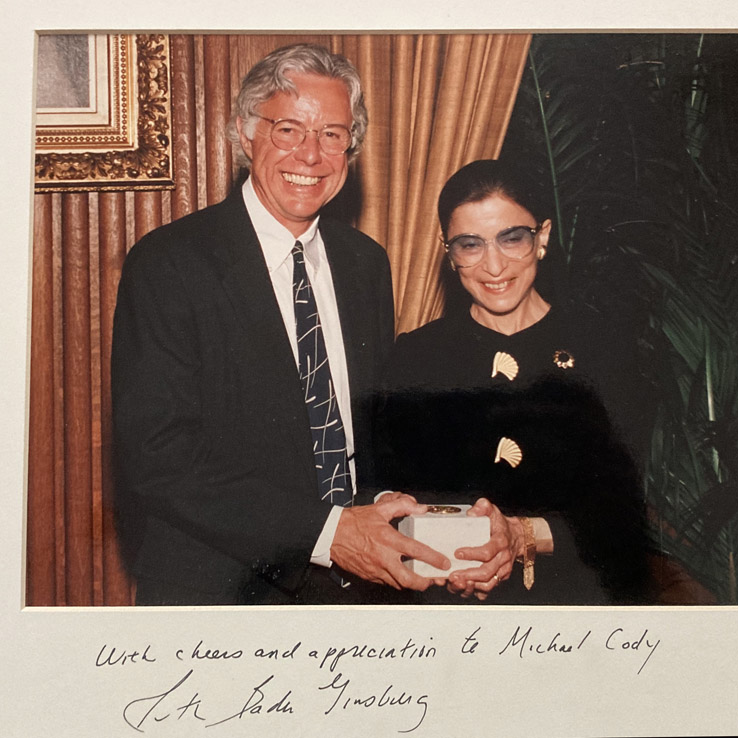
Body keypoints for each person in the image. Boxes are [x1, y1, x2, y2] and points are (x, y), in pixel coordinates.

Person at [111, 43, 448, 606]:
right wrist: (328, 534)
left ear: (351, 150)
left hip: (357, 594)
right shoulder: (169, 263)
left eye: (333, 134)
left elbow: (363, 429)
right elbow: (158, 458)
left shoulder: (366, 263)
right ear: (246, 135)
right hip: (218, 595)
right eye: (289, 129)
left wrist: (398, 507)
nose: (311, 155)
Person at [374, 159, 654, 605]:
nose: (494, 265)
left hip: (571, 606)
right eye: (470, 245)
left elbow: (623, 509)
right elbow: (386, 490)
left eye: (512, 239)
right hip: (443, 605)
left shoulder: (604, 348)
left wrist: (523, 534)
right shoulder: (415, 357)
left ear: (542, 237)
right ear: (448, 251)